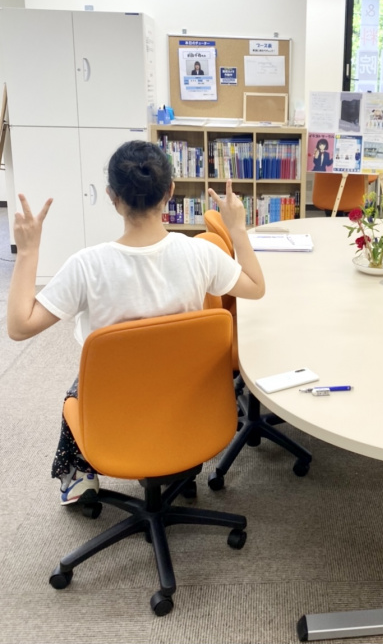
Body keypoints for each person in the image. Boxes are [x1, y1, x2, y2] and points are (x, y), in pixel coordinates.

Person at [7, 140, 265, 505]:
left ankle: (79, 477)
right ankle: (174, 459)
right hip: (189, 403)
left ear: (112, 197)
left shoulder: (87, 266)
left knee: (77, 389)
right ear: (170, 192)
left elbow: (19, 327)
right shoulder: (201, 253)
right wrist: (237, 228)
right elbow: (256, 287)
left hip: (117, 414)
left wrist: (28, 252)